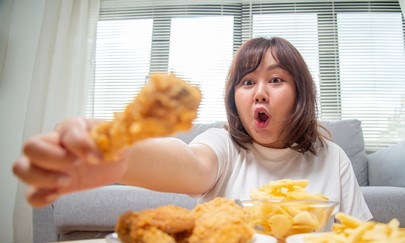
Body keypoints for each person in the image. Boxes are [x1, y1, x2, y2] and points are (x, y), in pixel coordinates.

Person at [12, 37, 372, 222]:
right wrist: (120, 156)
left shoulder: (332, 157)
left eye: (276, 79)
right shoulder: (224, 145)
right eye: (247, 83)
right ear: (234, 99)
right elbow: (190, 163)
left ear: (300, 94)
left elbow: (359, 241)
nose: (259, 92)